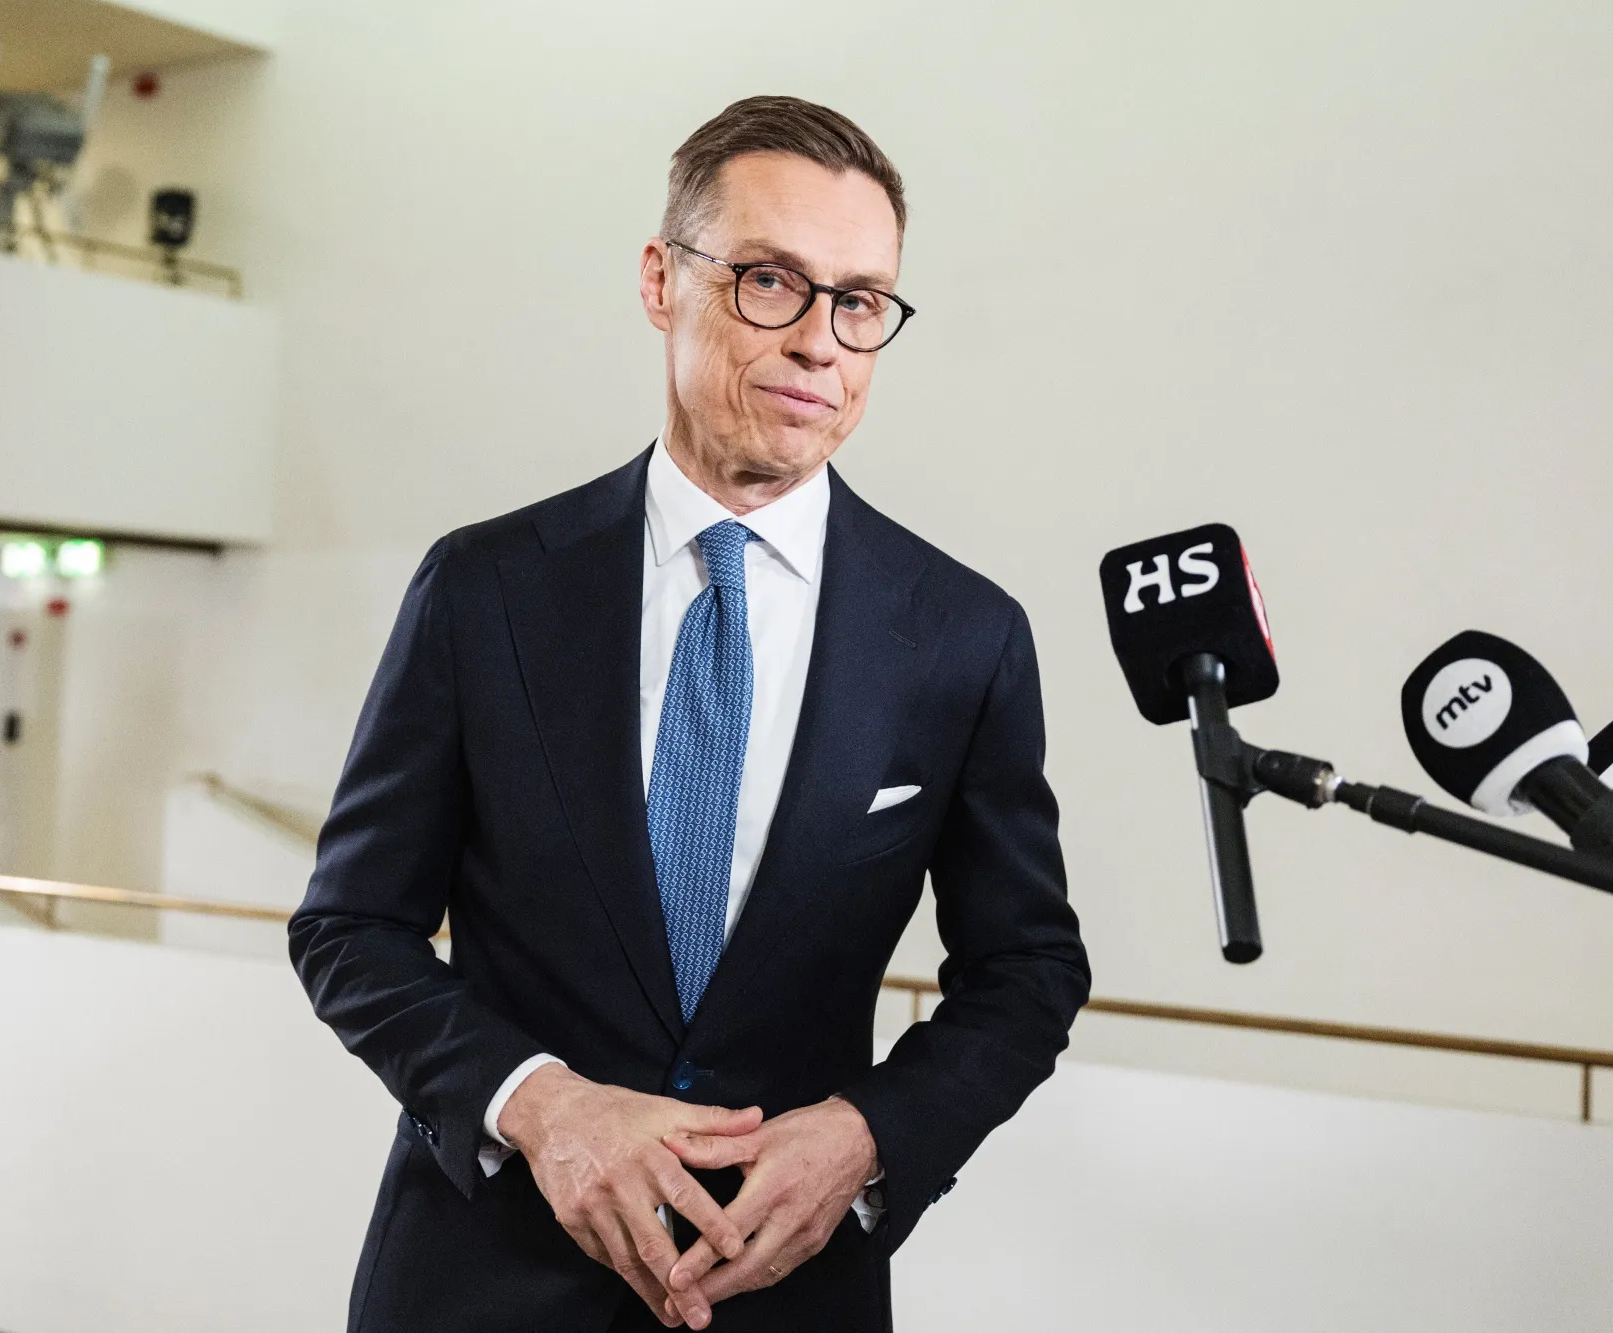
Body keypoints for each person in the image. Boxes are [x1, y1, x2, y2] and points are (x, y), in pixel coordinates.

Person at [291, 94, 1090, 1333]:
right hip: (481, 1281)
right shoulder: (485, 588)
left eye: (859, 301)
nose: (819, 341)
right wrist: (541, 1104)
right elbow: (349, 926)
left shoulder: (963, 636)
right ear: (662, 281)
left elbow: (1027, 971)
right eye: (769, 280)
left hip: (787, 1293)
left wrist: (869, 1136)